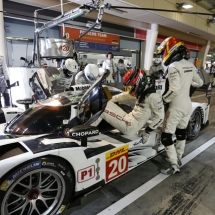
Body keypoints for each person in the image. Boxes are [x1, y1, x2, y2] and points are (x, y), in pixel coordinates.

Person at [157, 37, 203, 175]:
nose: (162, 56)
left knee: (166, 136)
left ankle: (173, 165)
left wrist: (162, 101)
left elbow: (174, 90)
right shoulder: (189, 64)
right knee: (181, 132)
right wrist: (188, 89)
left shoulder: (173, 67)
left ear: (170, 50)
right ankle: (178, 158)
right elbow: (199, 82)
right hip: (187, 105)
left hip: (176, 106)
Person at [91, 68, 164, 141]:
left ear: (139, 82)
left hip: (131, 127)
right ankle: (88, 126)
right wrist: (108, 99)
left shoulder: (154, 97)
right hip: (128, 118)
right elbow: (124, 95)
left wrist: (147, 131)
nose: (132, 88)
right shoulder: (143, 91)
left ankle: (87, 131)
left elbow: (160, 117)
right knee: (105, 103)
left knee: (102, 111)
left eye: (133, 85)